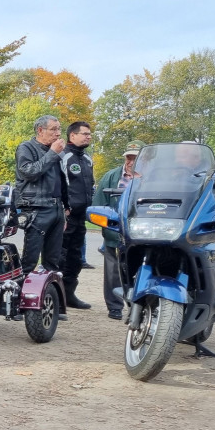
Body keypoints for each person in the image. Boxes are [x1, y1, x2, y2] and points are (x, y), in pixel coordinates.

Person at [93, 139, 144, 320]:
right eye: (128, 158)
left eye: (135, 158)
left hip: (145, 236)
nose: (130, 162)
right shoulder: (111, 177)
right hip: (116, 235)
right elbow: (98, 204)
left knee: (142, 271)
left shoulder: (152, 178)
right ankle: (114, 307)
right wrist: (110, 228)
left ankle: (140, 306)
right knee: (113, 273)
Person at [15, 115, 68, 275]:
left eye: (59, 129)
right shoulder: (26, 148)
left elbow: (61, 180)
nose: (58, 133)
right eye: (53, 129)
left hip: (56, 207)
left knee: (53, 259)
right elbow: (29, 172)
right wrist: (52, 153)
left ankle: (49, 295)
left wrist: (66, 207)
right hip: (36, 208)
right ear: (40, 130)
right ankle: (22, 294)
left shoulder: (56, 152)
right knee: (30, 259)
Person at [59, 121, 95, 308]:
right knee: (60, 257)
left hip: (82, 216)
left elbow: (91, 187)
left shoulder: (88, 159)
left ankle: (70, 294)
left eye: (89, 134)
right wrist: (64, 209)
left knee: (75, 258)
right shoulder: (62, 156)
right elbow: (58, 186)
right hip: (66, 216)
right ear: (72, 136)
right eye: (84, 133)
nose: (88, 136)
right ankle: (57, 298)